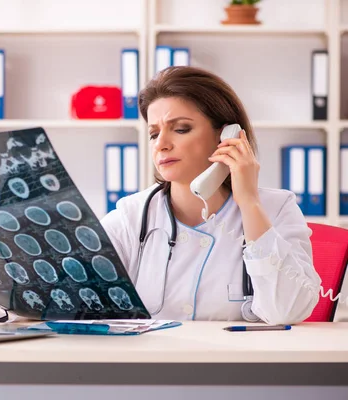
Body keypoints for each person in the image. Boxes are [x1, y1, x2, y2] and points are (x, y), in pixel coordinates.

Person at [100, 66, 322, 324]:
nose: (161, 144)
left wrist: (249, 203)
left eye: (181, 128)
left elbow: (287, 311)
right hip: (152, 362)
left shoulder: (276, 208)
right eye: (153, 133)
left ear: (226, 136)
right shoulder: (132, 216)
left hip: (240, 363)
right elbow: (71, 298)